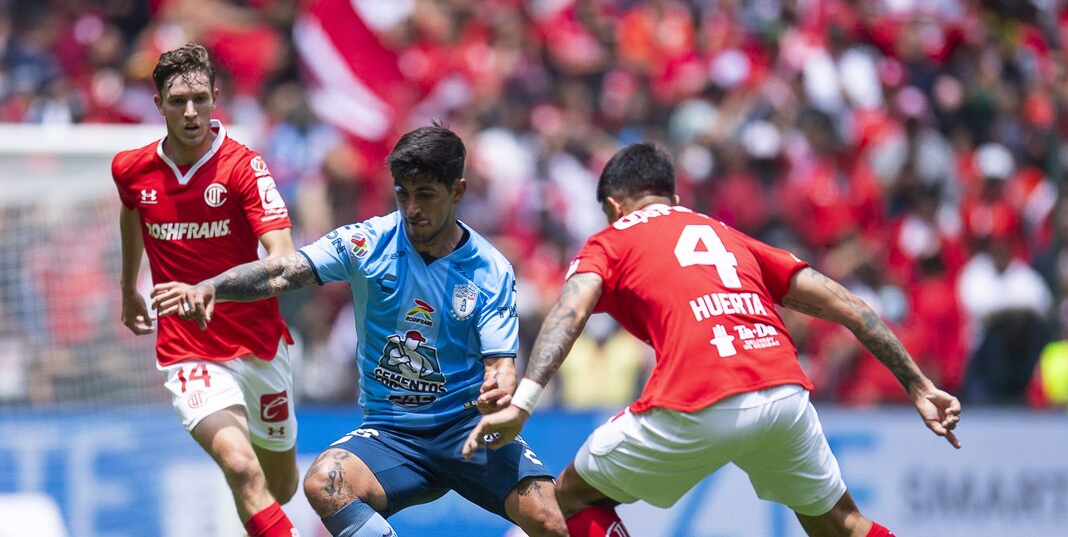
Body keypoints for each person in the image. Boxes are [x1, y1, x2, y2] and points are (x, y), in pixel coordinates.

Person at [462, 143, 963, 537]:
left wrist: (524, 402)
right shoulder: (728, 234)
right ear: (674, 199)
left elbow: (571, 308)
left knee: (569, 499)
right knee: (843, 526)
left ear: (614, 205)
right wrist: (918, 385)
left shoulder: (612, 238)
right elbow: (848, 306)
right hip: (784, 393)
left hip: (699, 397)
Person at [153, 125, 569, 537]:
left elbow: (501, 364)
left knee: (549, 519)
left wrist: (499, 386)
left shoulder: (489, 268)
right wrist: (212, 287)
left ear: (457, 192)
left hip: (467, 428)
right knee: (324, 482)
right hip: (392, 434)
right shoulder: (367, 243)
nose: (412, 209)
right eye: (402, 193)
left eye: (426, 195)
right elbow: (282, 272)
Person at [113, 42, 299, 537]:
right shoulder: (131, 169)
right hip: (187, 348)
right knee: (240, 468)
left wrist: (217, 288)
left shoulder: (242, 167)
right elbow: (132, 211)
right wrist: (130, 285)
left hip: (258, 343)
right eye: (177, 101)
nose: (190, 111)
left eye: (199, 98)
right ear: (159, 106)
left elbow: (283, 257)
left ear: (216, 97)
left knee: (278, 488)